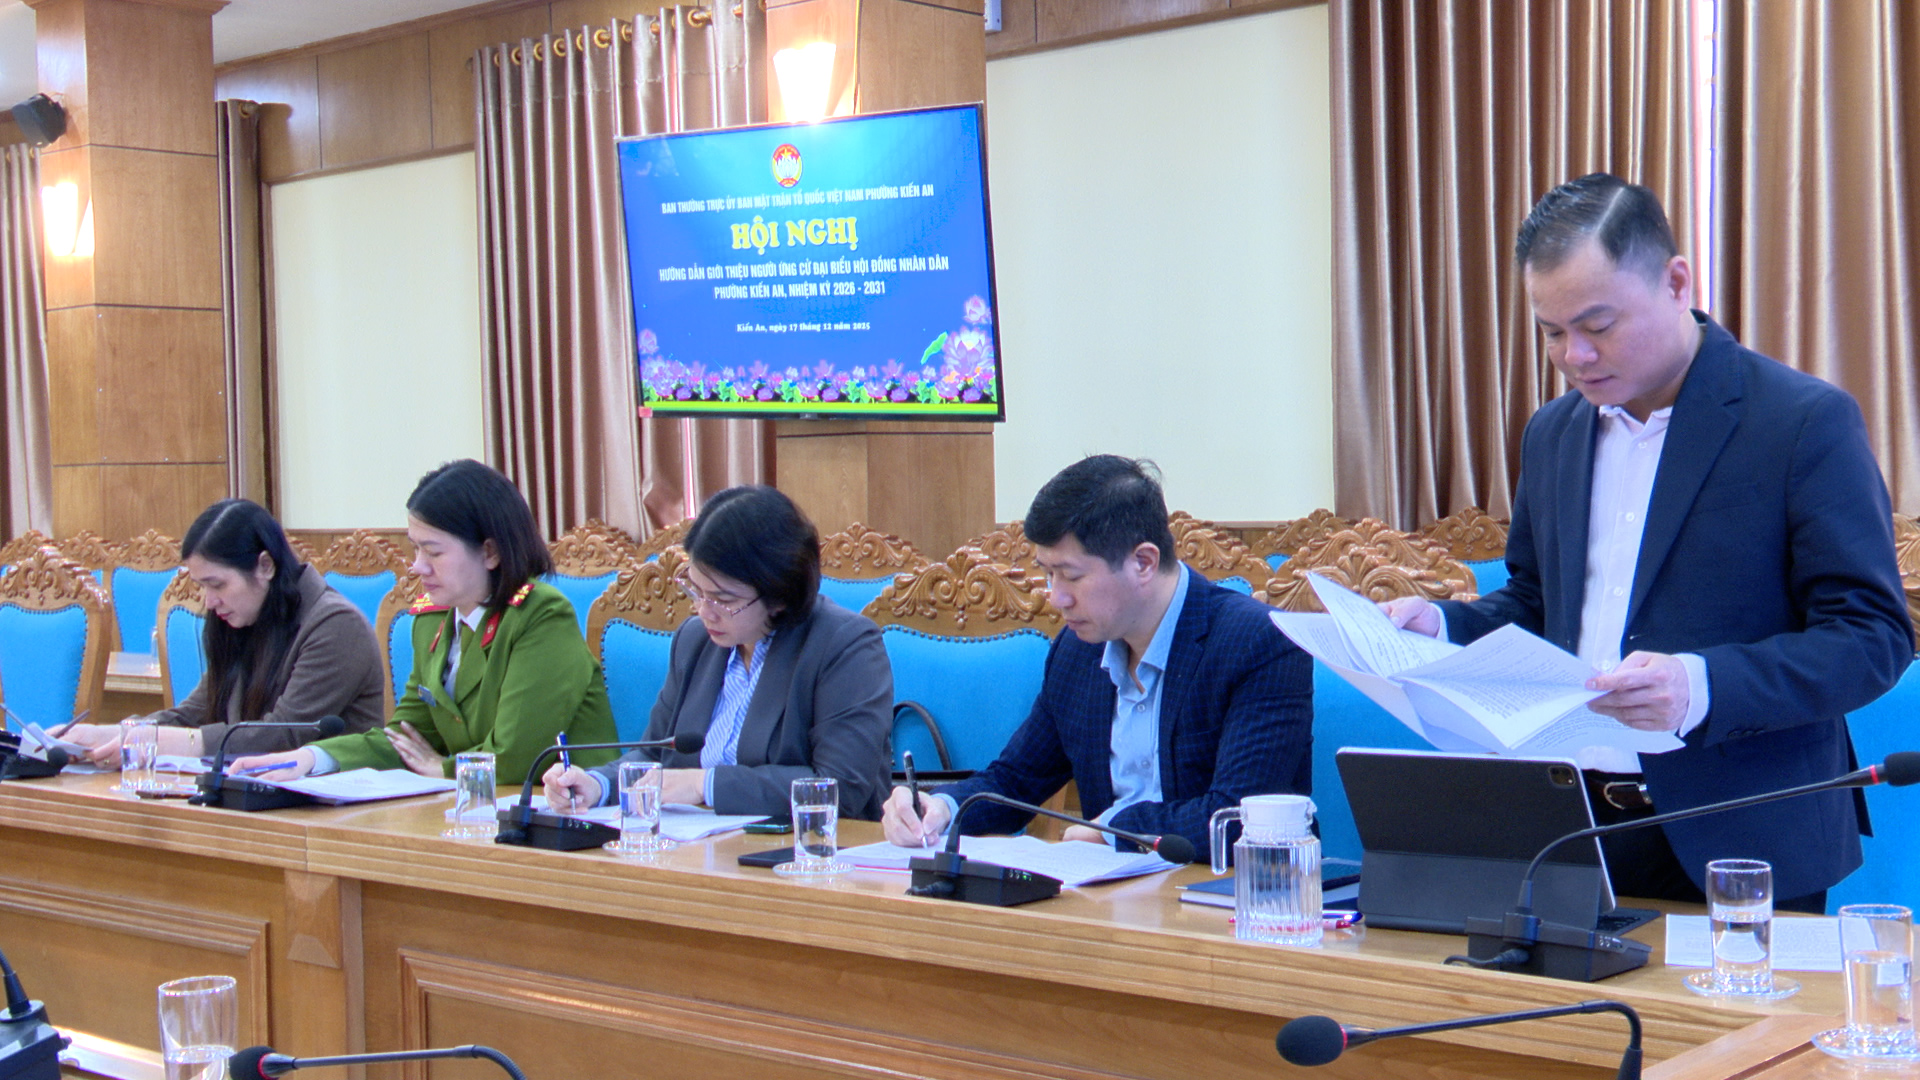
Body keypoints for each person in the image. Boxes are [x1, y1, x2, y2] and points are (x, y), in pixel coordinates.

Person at [1381, 174, 1913, 910]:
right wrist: (1441, 625)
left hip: (1746, 834)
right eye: (1551, 332)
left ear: (1676, 282)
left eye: (1598, 326)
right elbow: (1537, 605)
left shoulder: (1800, 422)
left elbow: (1872, 637)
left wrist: (1700, 686)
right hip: (1574, 824)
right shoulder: (1553, 434)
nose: (1575, 356)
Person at [880, 455, 1313, 855]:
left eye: (1071, 576)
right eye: (1048, 574)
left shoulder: (1258, 642)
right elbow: (1016, 780)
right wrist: (941, 808)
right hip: (1105, 897)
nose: (1056, 598)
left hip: (1227, 896)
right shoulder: (1077, 651)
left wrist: (1113, 831)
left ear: (1143, 562)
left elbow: (1237, 818)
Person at [233, 460, 618, 785]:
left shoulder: (540, 616)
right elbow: (407, 738)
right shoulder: (431, 623)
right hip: (475, 807)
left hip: (562, 812)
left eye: (433, 552)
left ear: (490, 552)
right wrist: (312, 758)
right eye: (415, 549)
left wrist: (442, 768)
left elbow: (516, 756)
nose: (418, 567)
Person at [543, 486, 892, 819]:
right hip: (697, 844)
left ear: (780, 594)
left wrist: (705, 784)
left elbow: (839, 786)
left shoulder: (844, 646)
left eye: (723, 599)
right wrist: (598, 785)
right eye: (696, 590)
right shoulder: (695, 640)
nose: (704, 611)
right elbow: (653, 755)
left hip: (807, 848)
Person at [62, 500, 385, 766]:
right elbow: (193, 715)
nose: (209, 601)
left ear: (265, 566)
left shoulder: (337, 626)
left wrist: (169, 742)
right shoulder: (245, 619)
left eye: (217, 585)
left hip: (328, 807)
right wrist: (110, 734)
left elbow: (282, 736)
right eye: (202, 586)